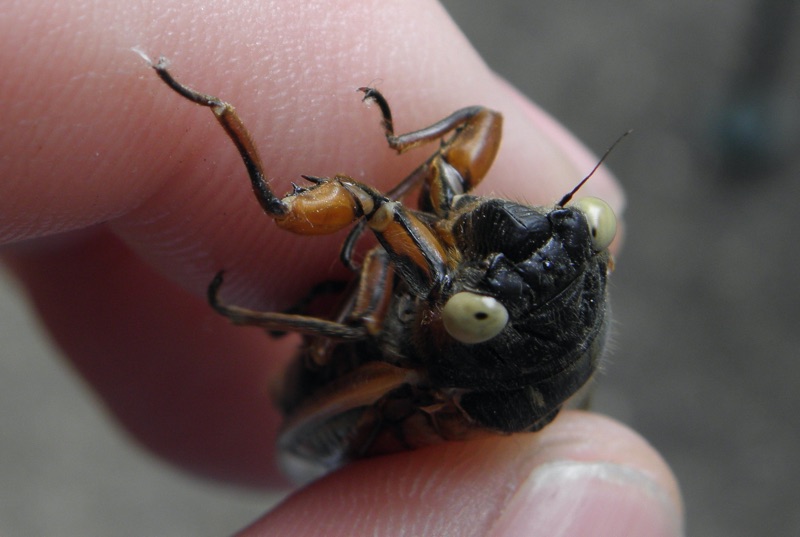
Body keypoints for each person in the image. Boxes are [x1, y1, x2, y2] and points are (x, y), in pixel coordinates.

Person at [0, 1, 683, 535]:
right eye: (588, 219)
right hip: (422, 307)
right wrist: (399, 147)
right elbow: (479, 126)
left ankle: (241, 150)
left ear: (465, 319)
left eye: (474, 310)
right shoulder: (465, 260)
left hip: (361, 376)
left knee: (347, 269)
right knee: (447, 151)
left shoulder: (435, 340)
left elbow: (360, 213)